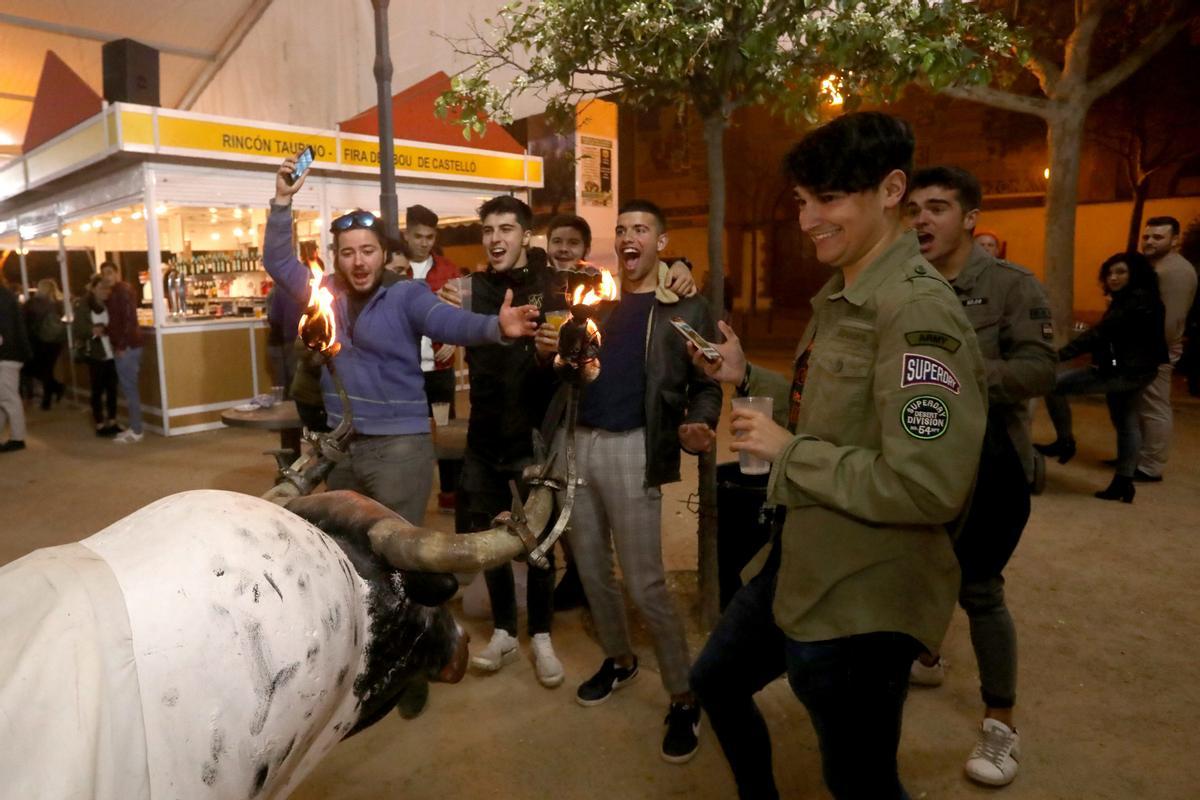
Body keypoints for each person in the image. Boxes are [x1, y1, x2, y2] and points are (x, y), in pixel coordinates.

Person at [689, 112, 987, 799]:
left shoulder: (916, 313)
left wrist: (791, 455)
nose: (807, 220)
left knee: (859, 778)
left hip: (864, 596)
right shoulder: (845, 295)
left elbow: (928, 485)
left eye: (828, 200)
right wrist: (744, 378)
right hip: (799, 562)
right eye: (801, 201)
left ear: (890, 190)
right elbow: (831, 410)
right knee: (714, 682)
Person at [534, 199, 721, 763]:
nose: (627, 237)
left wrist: (700, 420)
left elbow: (707, 379)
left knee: (645, 583)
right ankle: (620, 660)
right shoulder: (600, 299)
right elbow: (577, 370)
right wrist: (555, 354)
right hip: (576, 442)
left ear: (662, 242)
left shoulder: (685, 304)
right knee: (591, 572)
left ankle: (684, 694)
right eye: (621, 230)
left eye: (641, 229)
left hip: (632, 446)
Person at [266, 156, 538, 527]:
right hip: (341, 446)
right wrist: (282, 202)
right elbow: (279, 262)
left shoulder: (407, 294)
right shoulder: (325, 292)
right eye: (348, 252)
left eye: (368, 251)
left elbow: (448, 322)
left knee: (397, 555)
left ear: (384, 254)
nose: (358, 261)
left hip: (398, 448)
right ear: (337, 258)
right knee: (347, 549)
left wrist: (496, 327)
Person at [906, 165, 1057, 787]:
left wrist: (958, 374)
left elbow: (1039, 370)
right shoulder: (904, 284)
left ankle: (1001, 724)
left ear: (969, 218)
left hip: (991, 461)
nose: (921, 219)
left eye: (937, 207)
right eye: (913, 208)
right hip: (921, 458)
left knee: (980, 589)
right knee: (919, 567)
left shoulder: (1010, 286)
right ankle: (928, 652)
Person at [439, 196, 568, 689]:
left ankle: (541, 634)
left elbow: (572, 362)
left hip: (536, 437)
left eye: (506, 229)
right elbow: (443, 340)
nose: (495, 239)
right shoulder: (468, 290)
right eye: (489, 230)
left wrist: (559, 353)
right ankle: (503, 632)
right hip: (483, 435)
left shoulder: (554, 285)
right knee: (489, 543)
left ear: (525, 235)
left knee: (539, 541)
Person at [1036, 252, 1167, 502]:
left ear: (1135, 274)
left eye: (1120, 272)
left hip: (1124, 371)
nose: (1113, 278)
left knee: (1054, 386)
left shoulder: (1135, 301)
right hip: (1140, 370)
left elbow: (1099, 335)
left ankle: (1065, 442)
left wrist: (1058, 356)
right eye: (1110, 273)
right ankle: (1123, 482)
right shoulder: (1141, 298)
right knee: (1126, 421)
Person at [404, 205, 463, 515]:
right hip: (405, 369)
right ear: (407, 234)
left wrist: (453, 340)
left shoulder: (447, 269)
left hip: (439, 367)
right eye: (418, 236)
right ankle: (412, 492)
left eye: (429, 236)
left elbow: (460, 312)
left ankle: (450, 493)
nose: (424, 242)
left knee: (446, 430)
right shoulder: (395, 268)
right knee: (410, 433)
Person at [1133, 216, 1197, 481]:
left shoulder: (1176, 271)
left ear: (1174, 240)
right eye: (1147, 236)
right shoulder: (1159, 266)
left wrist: (1156, 352)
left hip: (1156, 351)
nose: (1149, 241)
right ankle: (1138, 457)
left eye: (1157, 237)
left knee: (1154, 407)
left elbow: (1171, 320)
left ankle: (1150, 467)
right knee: (1141, 405)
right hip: (1146, 349)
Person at [99, 262, 145, 444]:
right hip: (128, 344)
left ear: (117, 273)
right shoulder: (120, 291)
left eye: (109, 273)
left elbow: (126, 320)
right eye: (104, 274)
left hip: (127, 346)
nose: (106, 276)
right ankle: (134, 426)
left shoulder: (121, 292)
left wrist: (121, 344)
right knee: (128, 388)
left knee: (130, 388)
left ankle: (136, 430)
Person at [73, 275, 121, 438]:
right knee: (97, 389)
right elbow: (78, 329)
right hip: (95, 352)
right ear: (93, 288)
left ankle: (113, 421)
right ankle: (100, 423)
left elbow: (114, 324)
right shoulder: (84, 305)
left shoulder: (109, 304)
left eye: (107, 288)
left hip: (110, 350)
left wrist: (106, 329)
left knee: (112, 388)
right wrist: (93, 330)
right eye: (101, 288)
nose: (105, 291)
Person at [23, 278, 67, 409]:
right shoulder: (58, 304)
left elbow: (25, 321)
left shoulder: (32, 303)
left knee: (36, 370)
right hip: (55, 341)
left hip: (38, 341)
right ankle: (53, 392)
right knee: (47, 369)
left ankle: (52, 393)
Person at [0, 274, 32, 452]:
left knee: (8, 398)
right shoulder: (6, 295)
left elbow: (5, 331)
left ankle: (18, 438)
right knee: (4, 397)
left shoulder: (2, 298)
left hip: (7, 355)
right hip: (11, 354)